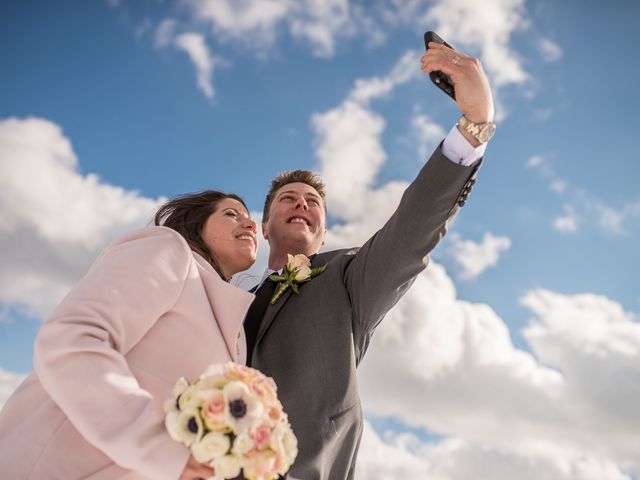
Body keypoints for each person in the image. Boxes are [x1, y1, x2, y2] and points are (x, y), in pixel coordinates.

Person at [243, 43, 496, 479]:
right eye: (288, 198)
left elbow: (410, 232)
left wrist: (473, 127)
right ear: (264, 226)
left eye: (313, 202)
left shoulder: (345, 280)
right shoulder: (218, 292)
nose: (302, 204)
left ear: (322, 233)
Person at [0, 190, 258, 480]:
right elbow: (72, 338)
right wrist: (155, 444)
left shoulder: (231, 326)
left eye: (250, 219)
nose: (250, 225)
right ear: (196, 223)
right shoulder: (168, 248)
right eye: (231, 214)